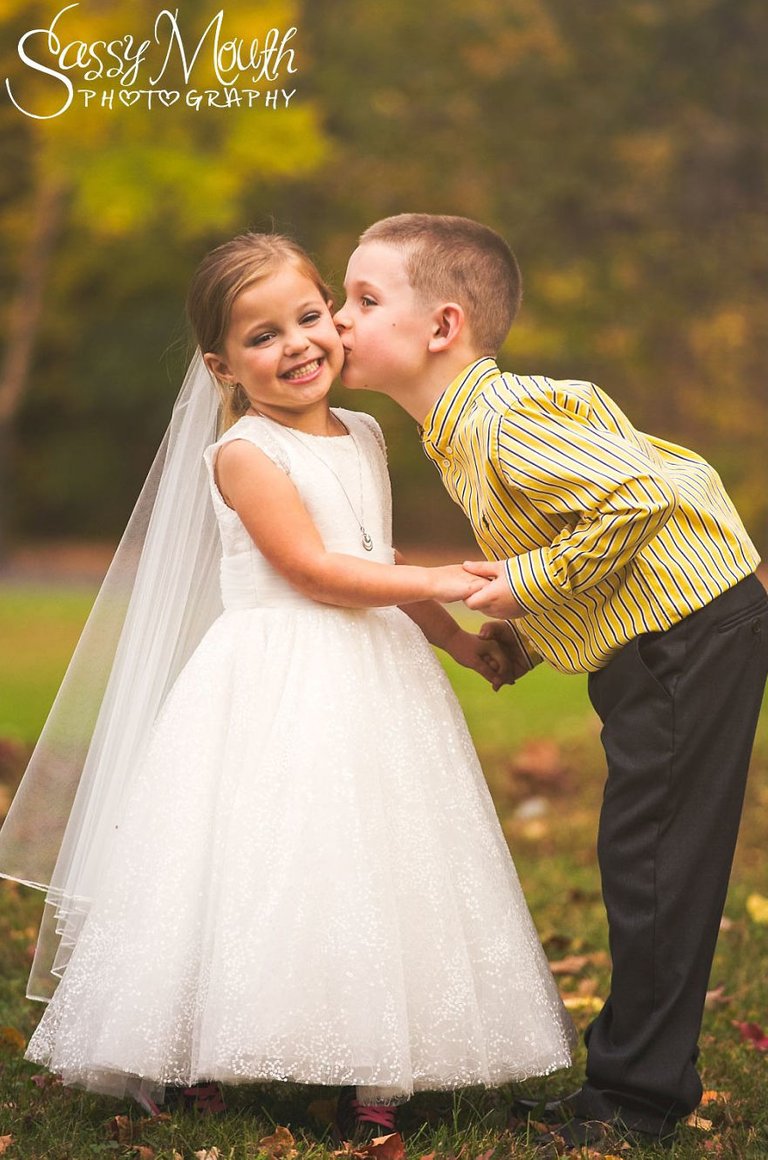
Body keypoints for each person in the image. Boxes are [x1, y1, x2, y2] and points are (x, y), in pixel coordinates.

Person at [0, 233, 574, 1135]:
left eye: (311, 317)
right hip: (277, 680)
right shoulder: (244, 454)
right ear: (221, 364)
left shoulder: (368, 432)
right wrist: (441, 579)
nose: (298, 344)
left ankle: (377, 1066)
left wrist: (455, 642)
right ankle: (197, 1045)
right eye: (263, 336)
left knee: (376, 857)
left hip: (376, 682)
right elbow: (314, 571)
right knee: (258, 859)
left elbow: (369, 555)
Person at [334, 213, 768, 1149]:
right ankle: (631, 1081)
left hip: (687, 636)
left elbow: (638, 495)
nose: (338, 320)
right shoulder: (464, 427)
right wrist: (525, 633)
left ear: (442, 327)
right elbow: (585, 522)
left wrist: (520, 587)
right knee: (645, 858)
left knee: (654, 864)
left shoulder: (497, 418)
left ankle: (637, 1103)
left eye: (363, 300)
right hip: (668, 629)